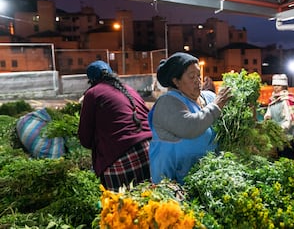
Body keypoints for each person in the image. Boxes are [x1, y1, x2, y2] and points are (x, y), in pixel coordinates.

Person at [148, 52, 232, 184]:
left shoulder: (209, 97)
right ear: (176, 81)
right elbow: (190, 126)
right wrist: (216, 106)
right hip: (173, 185)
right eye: (192, 77)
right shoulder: (167, 102)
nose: (198, 81)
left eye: (199, 75)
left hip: (206, 180)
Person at [78, 60, 152, 192]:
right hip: (150, 152)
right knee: (152, 204)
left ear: (91, 80)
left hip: (121, 159)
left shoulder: (93, 93)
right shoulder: (129, 90)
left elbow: (85, 137)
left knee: (122, 208)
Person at [264, 73, 294, 159]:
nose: (275, 87)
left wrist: (282, 128)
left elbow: (290, 118)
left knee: (287, 152)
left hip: (288, 131)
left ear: (284, 86)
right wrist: (267, 117)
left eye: (278, 85)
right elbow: (269, 111)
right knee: (280, 152)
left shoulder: (287, 99)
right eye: (274, 85)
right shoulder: (273, 99)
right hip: (278, 131)